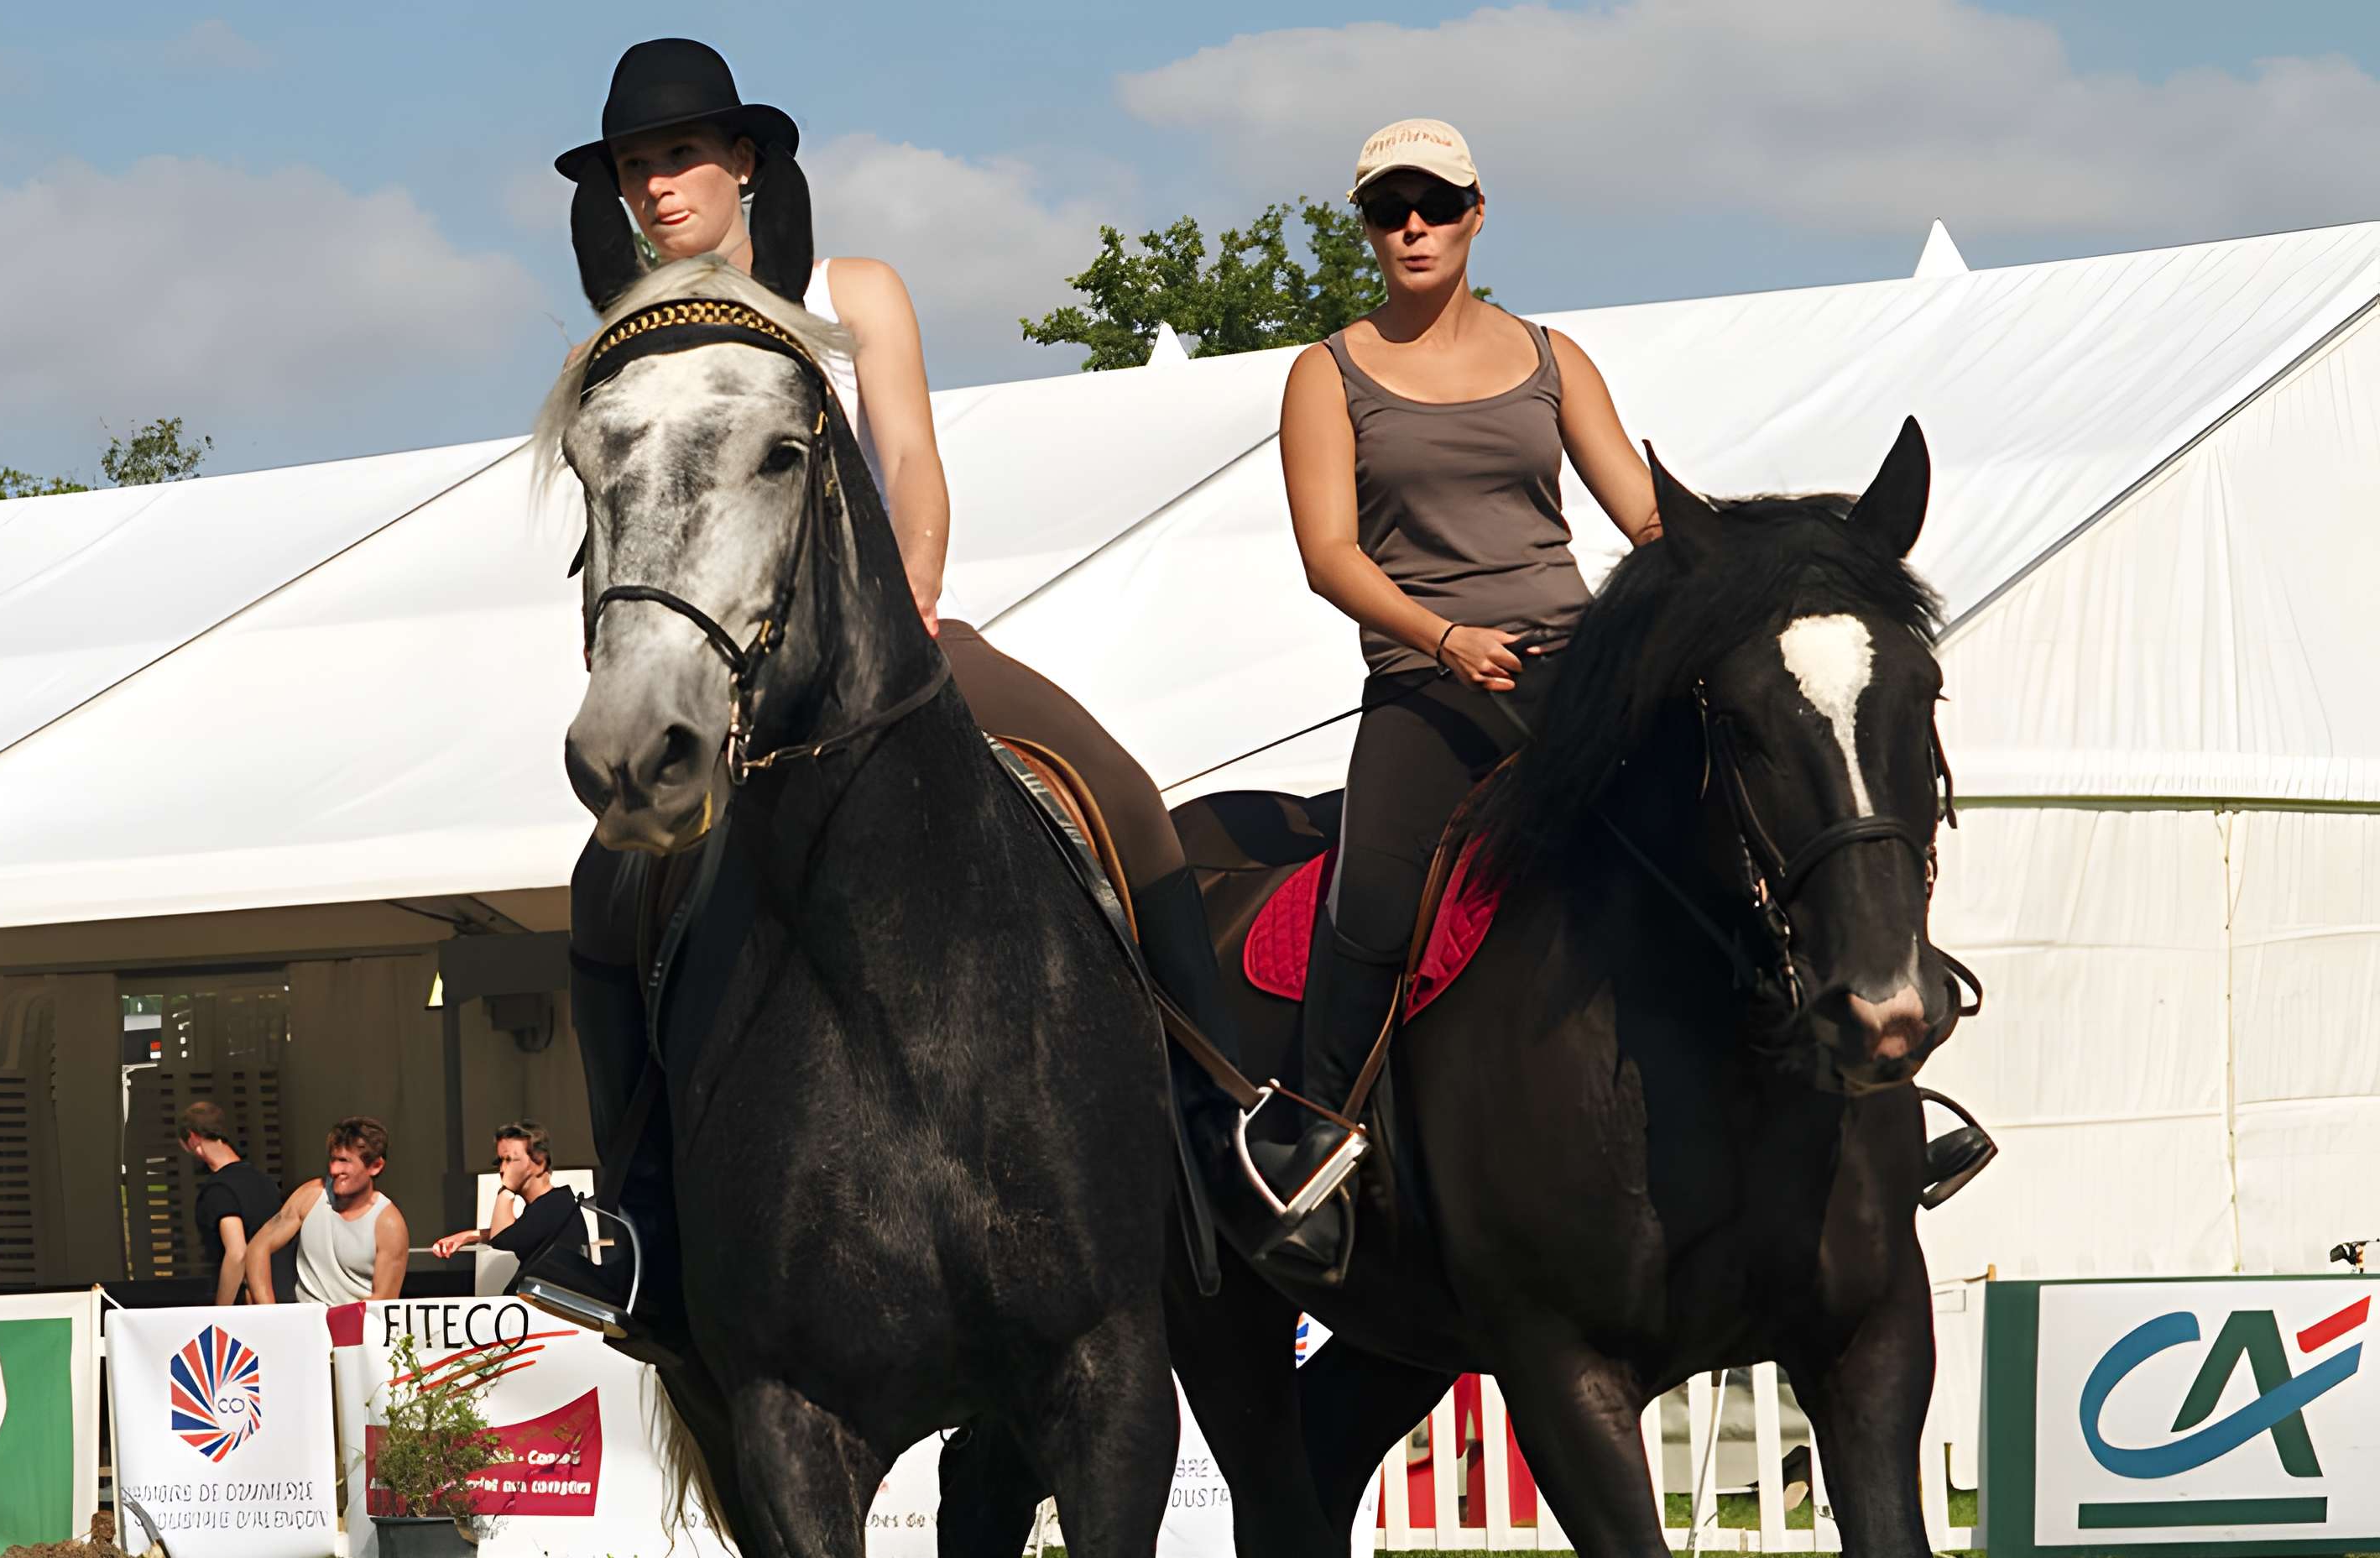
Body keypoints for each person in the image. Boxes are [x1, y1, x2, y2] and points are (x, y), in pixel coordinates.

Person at [540, 38, 1266, 1341]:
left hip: (887, 641)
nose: (657, 187)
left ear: (744, 160)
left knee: (1117, 786)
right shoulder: (633, 338)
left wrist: (916, 596)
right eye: (635, 166)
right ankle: (635, 1218)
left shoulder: (851, 287)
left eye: (680, 155)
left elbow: (914, 460)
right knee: (604, 884)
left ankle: (1227, 1119)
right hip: (724, 677)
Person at [1277, 119, 1992, 1206]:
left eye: (1435, 204)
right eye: (1389, 209)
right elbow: (1329, 554)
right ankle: (1314, 1136)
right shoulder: (1326, 374)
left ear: (1476, 214)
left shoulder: (1550, 359)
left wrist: (1751, 578)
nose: (1413, 226)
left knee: (1744, 833)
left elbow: (1649, 519)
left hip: (1579, 673)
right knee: (1372, 899)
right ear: (1368, 228)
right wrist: (1444, 639)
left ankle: (1881, 1112)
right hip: (1429, 685)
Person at [246, 1116, 410, 1304]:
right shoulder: (310, 1195)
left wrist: (339, 1320)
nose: (334, 1169)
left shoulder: (388, 1224)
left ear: (375, 1166)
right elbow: (257, 1248)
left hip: (357, 1319)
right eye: (333, 1159)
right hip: (305, 1316)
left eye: (344, 1161)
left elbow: (383, 1302)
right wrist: (270, 1311)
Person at [430, 1121, 587, 1268]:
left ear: (540, 1163)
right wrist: (467, 1236)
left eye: (510, 1160)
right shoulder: (549, 1205)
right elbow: (519, 1231)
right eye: (500, 1161)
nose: (503, 1169)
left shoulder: (556, 1204)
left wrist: (506, 1190)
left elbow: (502, 1240)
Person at [180, 1100, 290, 1306]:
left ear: (193, 1139)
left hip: (251, 1306)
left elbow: (237, 1253)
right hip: (284, 1298)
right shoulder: (265, 1181)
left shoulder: (219, 1191)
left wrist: (222, 1313)